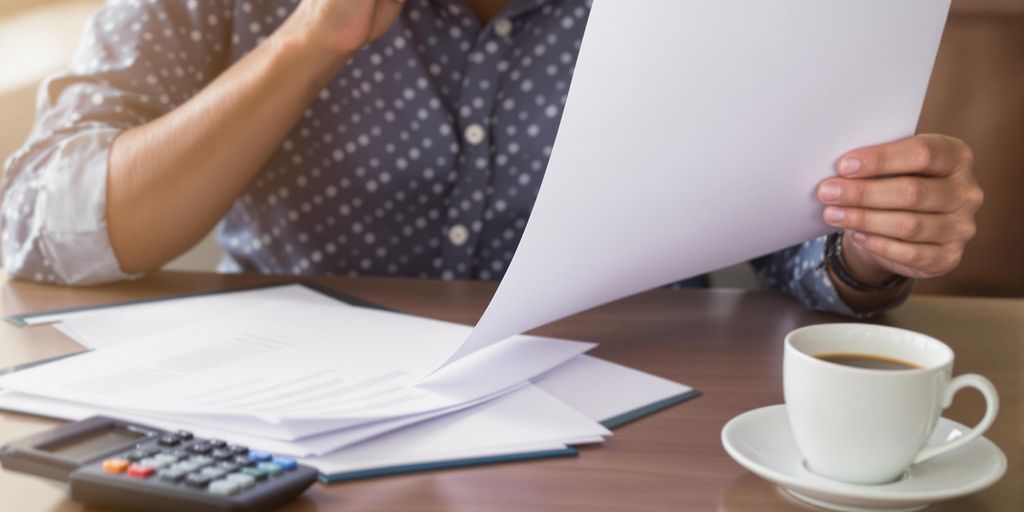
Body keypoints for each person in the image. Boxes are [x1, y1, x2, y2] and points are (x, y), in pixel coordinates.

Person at [0, 0, 982, 318]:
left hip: (626, 425)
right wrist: (302, 46)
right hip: (295, 428)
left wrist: (871, 242)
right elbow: (45, 223)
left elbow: (792, 239)